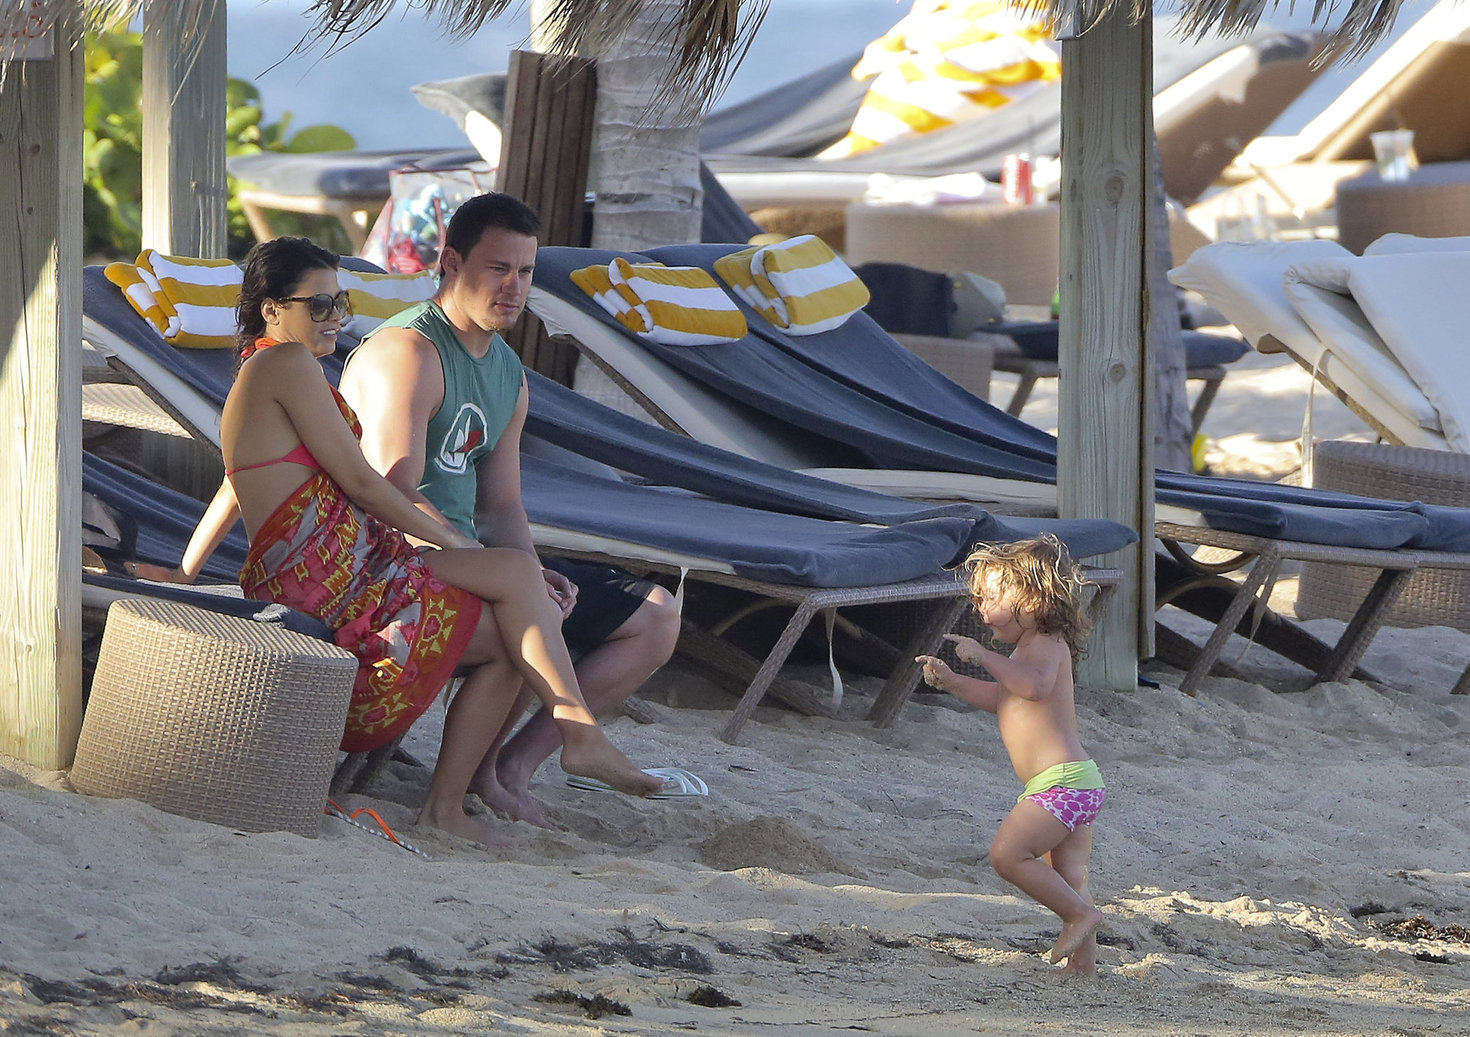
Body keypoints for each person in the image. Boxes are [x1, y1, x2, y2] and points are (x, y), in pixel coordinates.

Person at [132, 236, 662, 845]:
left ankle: (550, 749)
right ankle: (523, 764)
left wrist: (191, 574)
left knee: (520, 604)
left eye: (341, 303)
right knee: (516, 602)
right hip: (329, 582)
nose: (336, 319)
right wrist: (457, 547)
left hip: (343, 565)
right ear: (272, 309)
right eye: (320, 306)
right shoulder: (286, 366)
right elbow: (362, 481)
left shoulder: (265, 378)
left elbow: (234, 487)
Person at [338, 192, 680, 828]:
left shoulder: (507, 373)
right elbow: (389, 495)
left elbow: (501, 503)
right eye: (499, 269)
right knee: (525, 622)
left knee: (654, 615)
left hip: (470, 563)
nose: (514, 287)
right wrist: (497, 568)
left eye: (525, 272)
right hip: (387, 565)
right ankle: (498, 777)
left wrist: (527, 568)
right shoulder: (409, 353)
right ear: (452, 262)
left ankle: (507, 772)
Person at [914, 535, 1106, 974]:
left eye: (991, 598)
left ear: (1034, 598)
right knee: (1070, 879)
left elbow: (1033, 687)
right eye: (978, 600)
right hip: (1073, 785)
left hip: (1061, 785)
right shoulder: (1024, 653)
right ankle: (1083, 966)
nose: (981, 609)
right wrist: (953, 682)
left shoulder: (1045, 646)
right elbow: (1005, 698)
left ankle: (1080, 916)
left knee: (1007, 856)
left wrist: (982, 656)